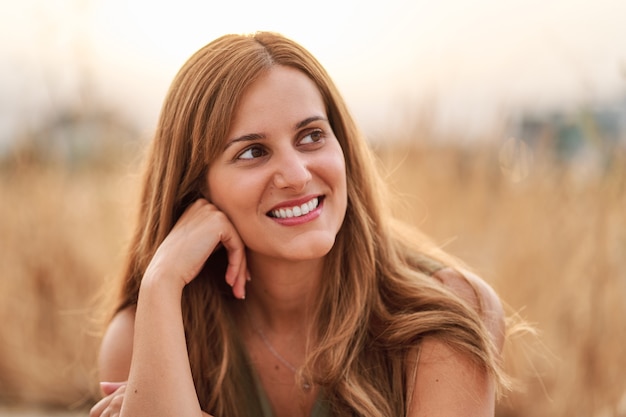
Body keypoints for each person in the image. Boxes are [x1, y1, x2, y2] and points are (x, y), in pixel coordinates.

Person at [90, 31, 508, 417]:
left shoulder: (447, 310)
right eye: (253, 152)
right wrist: (162, 279)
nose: (297, 174)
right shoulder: (145, 330)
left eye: (311, 136)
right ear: (198, 187)